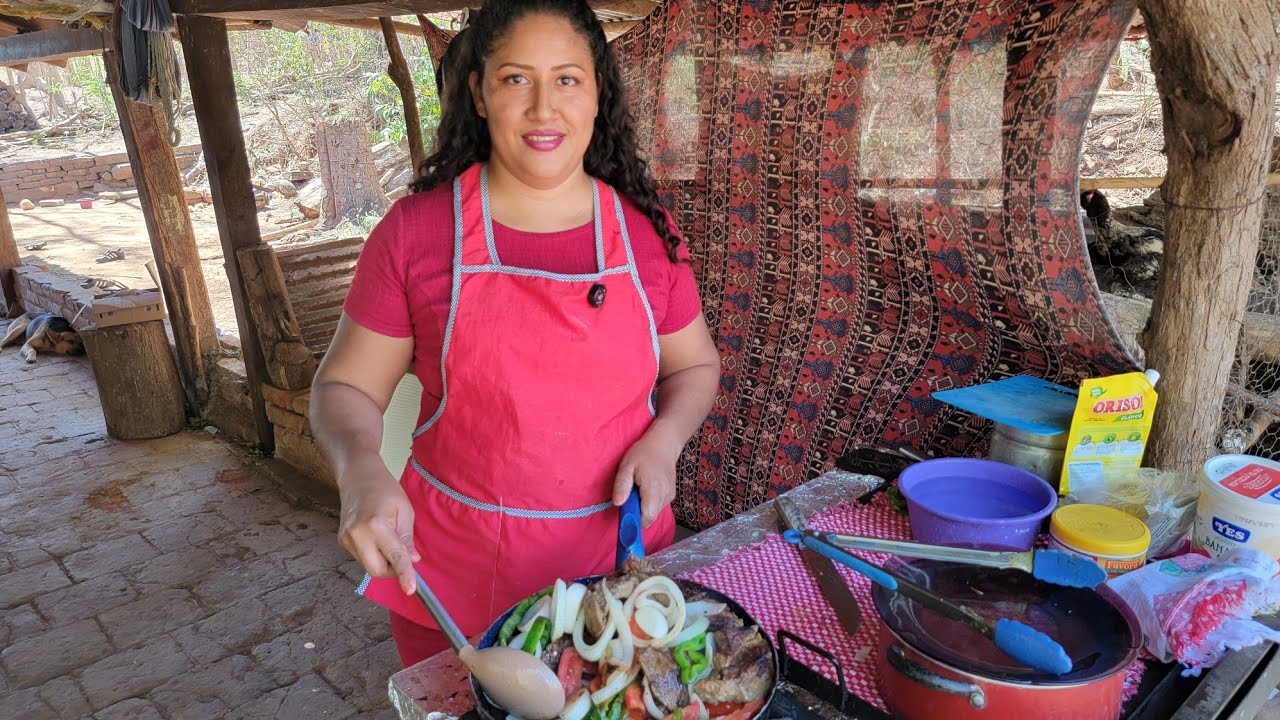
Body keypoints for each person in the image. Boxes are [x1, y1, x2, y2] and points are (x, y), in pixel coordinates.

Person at [310, 0, 721, 668]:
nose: (543, 108)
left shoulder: (648, 236)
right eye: (514, 80)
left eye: (567, 79)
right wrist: (361, 469)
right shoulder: (415, 235)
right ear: (478, 91)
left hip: (617, 570)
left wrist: (664, 441)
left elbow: (695, 367)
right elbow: (346, 384)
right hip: (454, 576)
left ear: (597, 95)